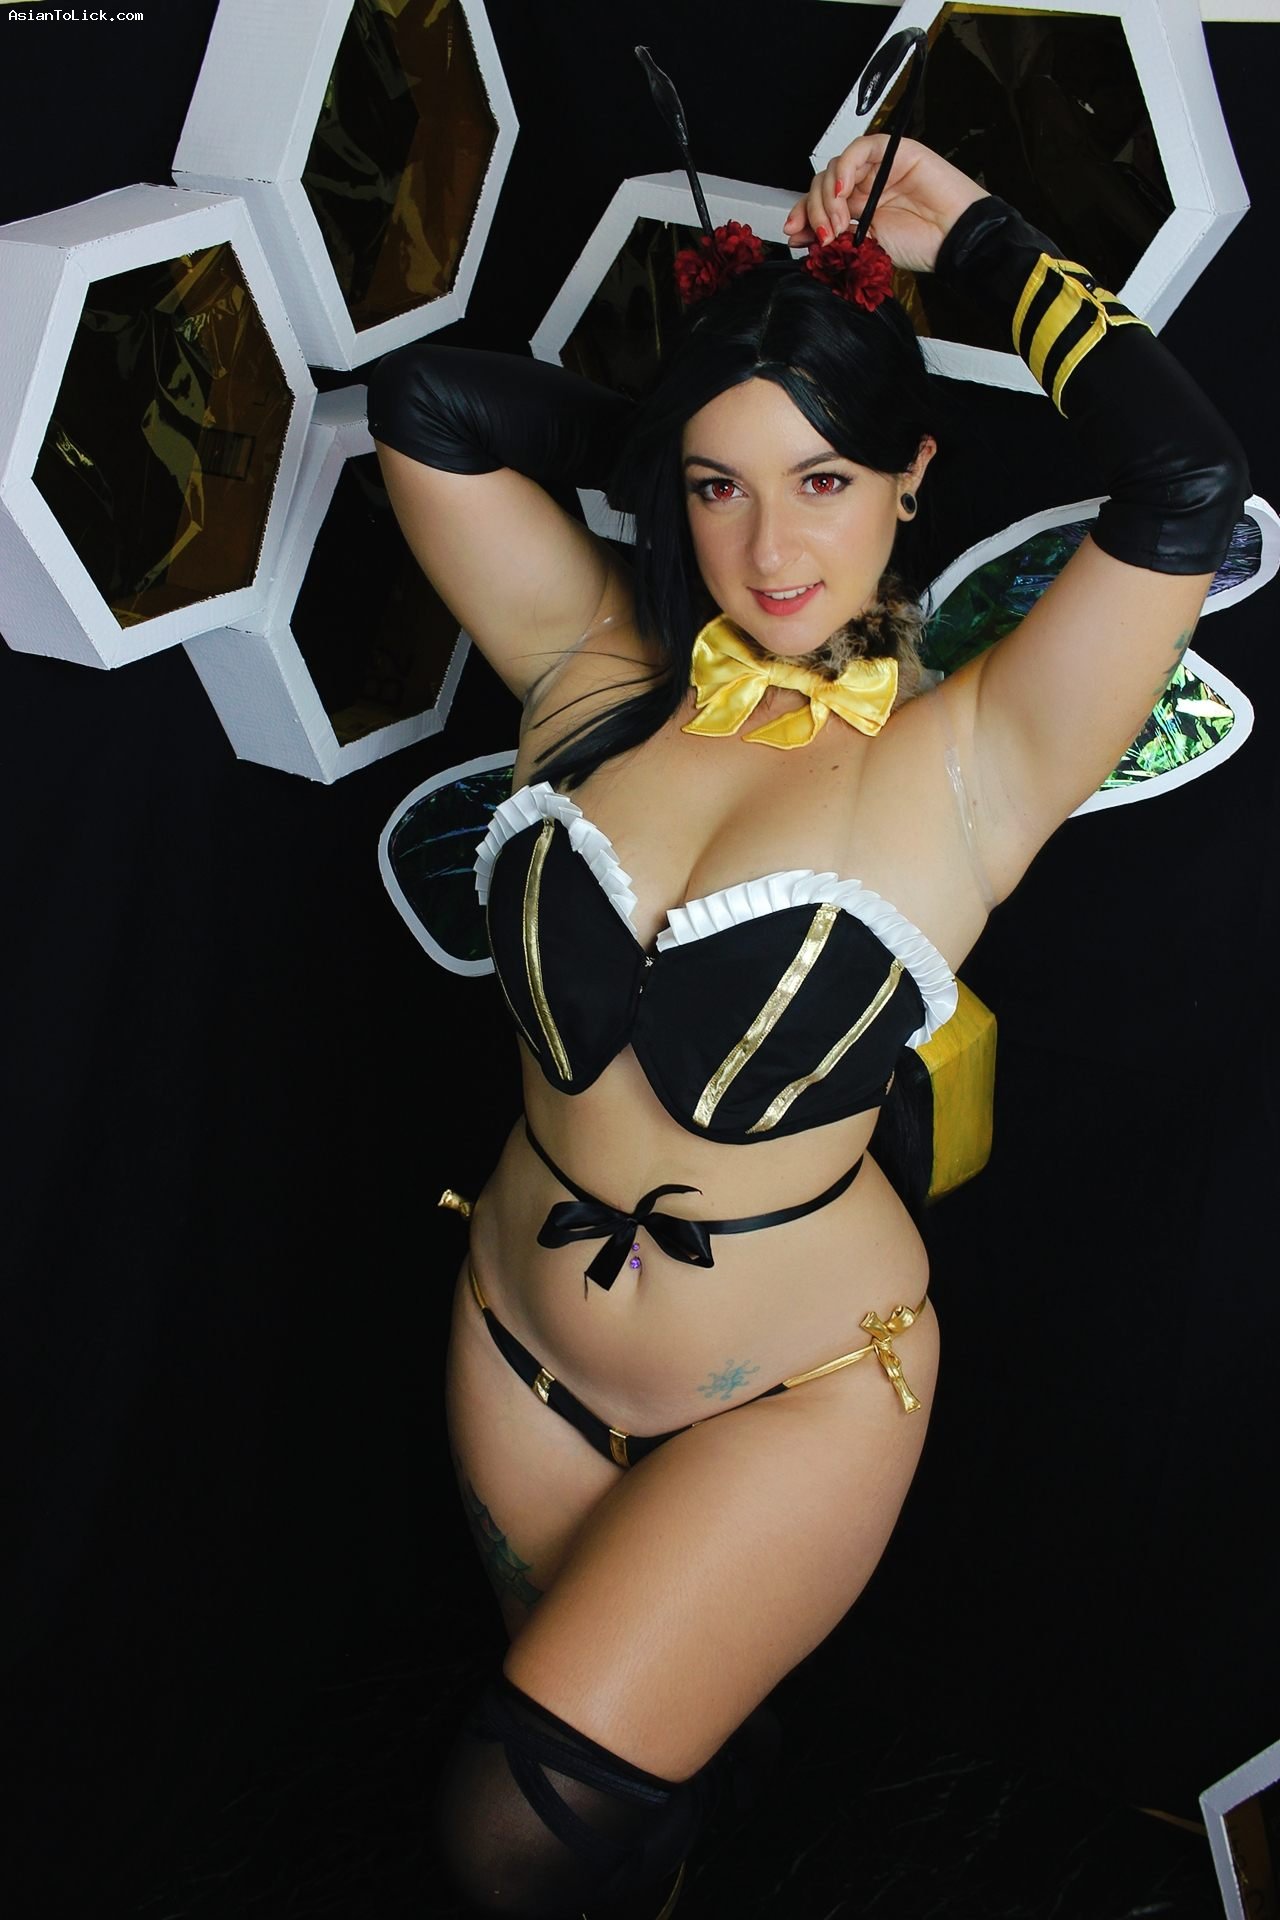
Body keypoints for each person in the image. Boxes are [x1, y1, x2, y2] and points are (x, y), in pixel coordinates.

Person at [367, 129, 1246, 1919]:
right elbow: (429, 409)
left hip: (793, 1393)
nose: (771, 548)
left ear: (914, 479)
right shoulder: (592, 676)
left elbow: (1183, 479)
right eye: (718, 487)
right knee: (630, 1816)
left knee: (511, 1833)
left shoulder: (977, 757)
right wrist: (706, 399)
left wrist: (977, 241)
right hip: (514, 1345)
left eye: (826, 479)